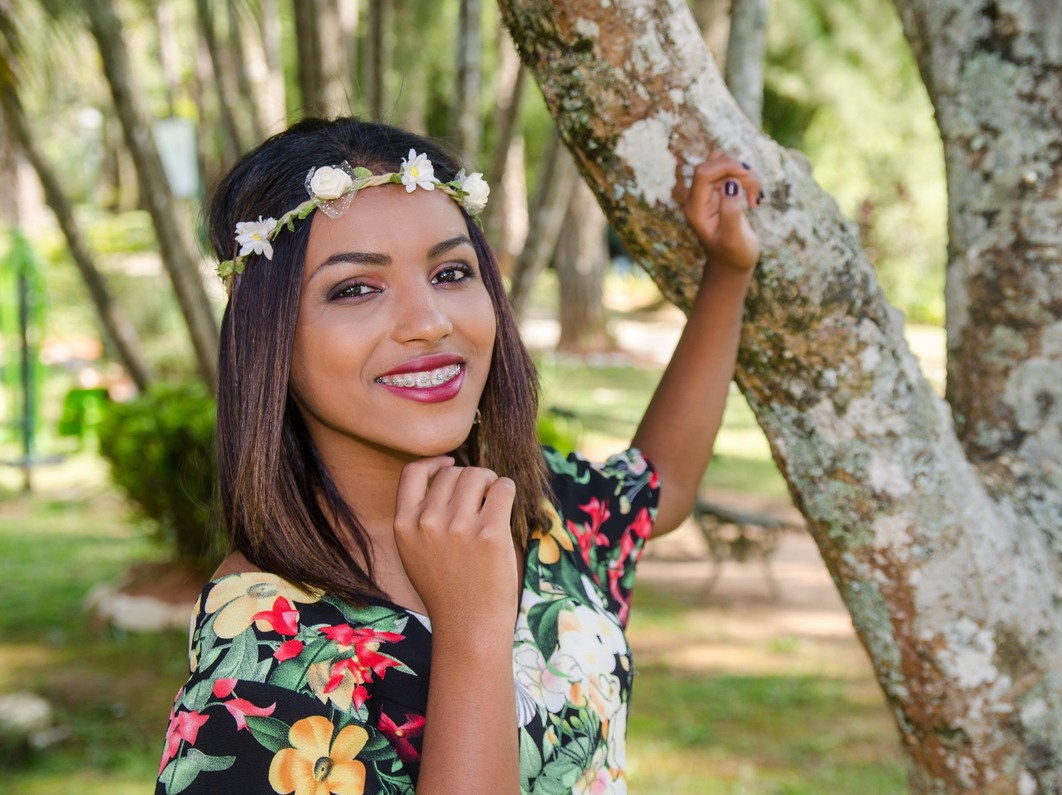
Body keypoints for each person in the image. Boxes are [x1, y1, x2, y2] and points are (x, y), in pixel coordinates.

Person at [155, 116, 761, 795]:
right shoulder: (261, 660)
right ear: (271, 336)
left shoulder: (516, 503)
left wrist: (728, 273)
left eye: (450, 272)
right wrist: (472, 630)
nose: (429, 321)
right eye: (356, 287)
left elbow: (662, 485)